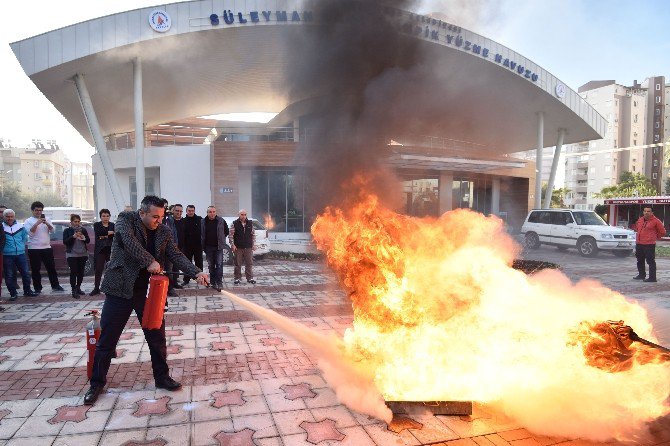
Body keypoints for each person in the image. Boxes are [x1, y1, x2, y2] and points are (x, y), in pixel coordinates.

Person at [84, 195, 209, 405]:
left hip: (148, 292)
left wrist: (196, 272)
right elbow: (130, 243)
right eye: (154, 216)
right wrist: (149, 260)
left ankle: (162, 378)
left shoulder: (164, 230)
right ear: (141, 213)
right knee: (107, 339)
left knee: (157, 337)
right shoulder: (126, 219)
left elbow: (176, 255)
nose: (158, 221)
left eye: (161, 216)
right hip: (120, 289)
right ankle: (96, 383)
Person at [23, 201, 65, 294]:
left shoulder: (47, 219)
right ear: (32, 210)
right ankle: (37, 288)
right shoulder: (28, 221)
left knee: (51, 268)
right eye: (36, 210)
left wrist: (46, 223)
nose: (38, 212)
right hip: (34, 248)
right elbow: (30, 233)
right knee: (35, 269)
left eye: (40, 210)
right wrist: (37, 223)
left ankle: (55, 285)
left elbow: (52, 230)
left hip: (46, 247)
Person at [2, 209, 38, 299]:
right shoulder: (1, 227)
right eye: (7, 216)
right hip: (7, 255)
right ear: (4, 217)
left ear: (14, 216)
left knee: (25, 273)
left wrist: (20, 246)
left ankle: (27, 291)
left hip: (20, 254)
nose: (9, 218)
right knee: (9, 275)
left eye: (11, 216)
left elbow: (24, 238)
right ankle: (13, 294)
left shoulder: (20, 226)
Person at [633, 206, 667, 283]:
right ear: (643, 212)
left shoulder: (656, 221)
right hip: (639, 244)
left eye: (648, 211)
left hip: (649, 244)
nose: (646, 213)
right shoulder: (640, 220)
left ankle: (652, 278)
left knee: (650, 261)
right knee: (639, 260)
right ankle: (641, 275)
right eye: (645, 211)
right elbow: (637, 229)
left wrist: (654, 237)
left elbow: (663, 232)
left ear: (652, 213)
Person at [201, 206, 229, 292]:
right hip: (208, 247)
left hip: (218, 247)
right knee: (211, 266)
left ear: (216, 212)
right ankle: (213, 282)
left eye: (213, 212)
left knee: (219, 265)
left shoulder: (221, 220)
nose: (212, 213)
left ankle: (219, 282)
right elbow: (201, 234)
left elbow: (226, 232)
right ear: (207, 212)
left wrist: (221, 240)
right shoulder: (203, 221)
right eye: (210, 212)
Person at [63, 214, 90, 298]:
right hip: (72, 254)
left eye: (78, 221)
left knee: (81, 272)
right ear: (71, 222)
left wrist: (84, 238)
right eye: (75, 221)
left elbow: (88, 240)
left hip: (82, 253)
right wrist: (73, 237)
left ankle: (78, 287)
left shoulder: (83, 230)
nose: (77, 223)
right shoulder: (67, 230)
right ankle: (73, 290)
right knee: (73, 271)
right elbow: (65, 242)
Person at [90, 209, 115, 296]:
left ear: (109, 216)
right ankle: (96, 288)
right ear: (100, 217)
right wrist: (108, 234)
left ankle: (111, 288)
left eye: (107, 216)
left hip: (110, 250)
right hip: (100, 250)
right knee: (98, 269)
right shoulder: (97, 224)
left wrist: (104, 236)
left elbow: (114, 235)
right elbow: (99, 233)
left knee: (111, 269)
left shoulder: (112, 225)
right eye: (103, 216)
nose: (105, 218)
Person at [229, 209, 256, 285]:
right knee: (237, 264)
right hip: (238, 247)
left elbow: (253, 235)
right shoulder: (234, 223)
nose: (243, 216)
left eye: (245, 214)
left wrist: (253, 244)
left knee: (249, 263)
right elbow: (231, 235)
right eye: (242, 214)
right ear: (239, 215)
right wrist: (232, 245)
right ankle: (237, 278)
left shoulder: (250, 223)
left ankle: (250, 278)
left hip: (248, 247)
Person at [165, 204, 185, 295]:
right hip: (170, 248)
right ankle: (170, 289)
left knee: (176, 268)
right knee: (169, 269)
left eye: (180, 211)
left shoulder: (181, 221)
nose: (179, 213)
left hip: (179, 247)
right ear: (173, 211)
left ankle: (175, 283)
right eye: (177, 211)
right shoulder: (168, 220)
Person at [181, 204, 203, 285]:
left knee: (199, 263)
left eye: (192, 211)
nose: (191, 212)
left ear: (194, 211)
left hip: (198, 245)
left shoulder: (200, 219)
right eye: (189, 211)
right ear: (186, 211)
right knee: (187, 263)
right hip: (186, 246)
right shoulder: (183, 220)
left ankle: (200, 279)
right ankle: (186, 279)